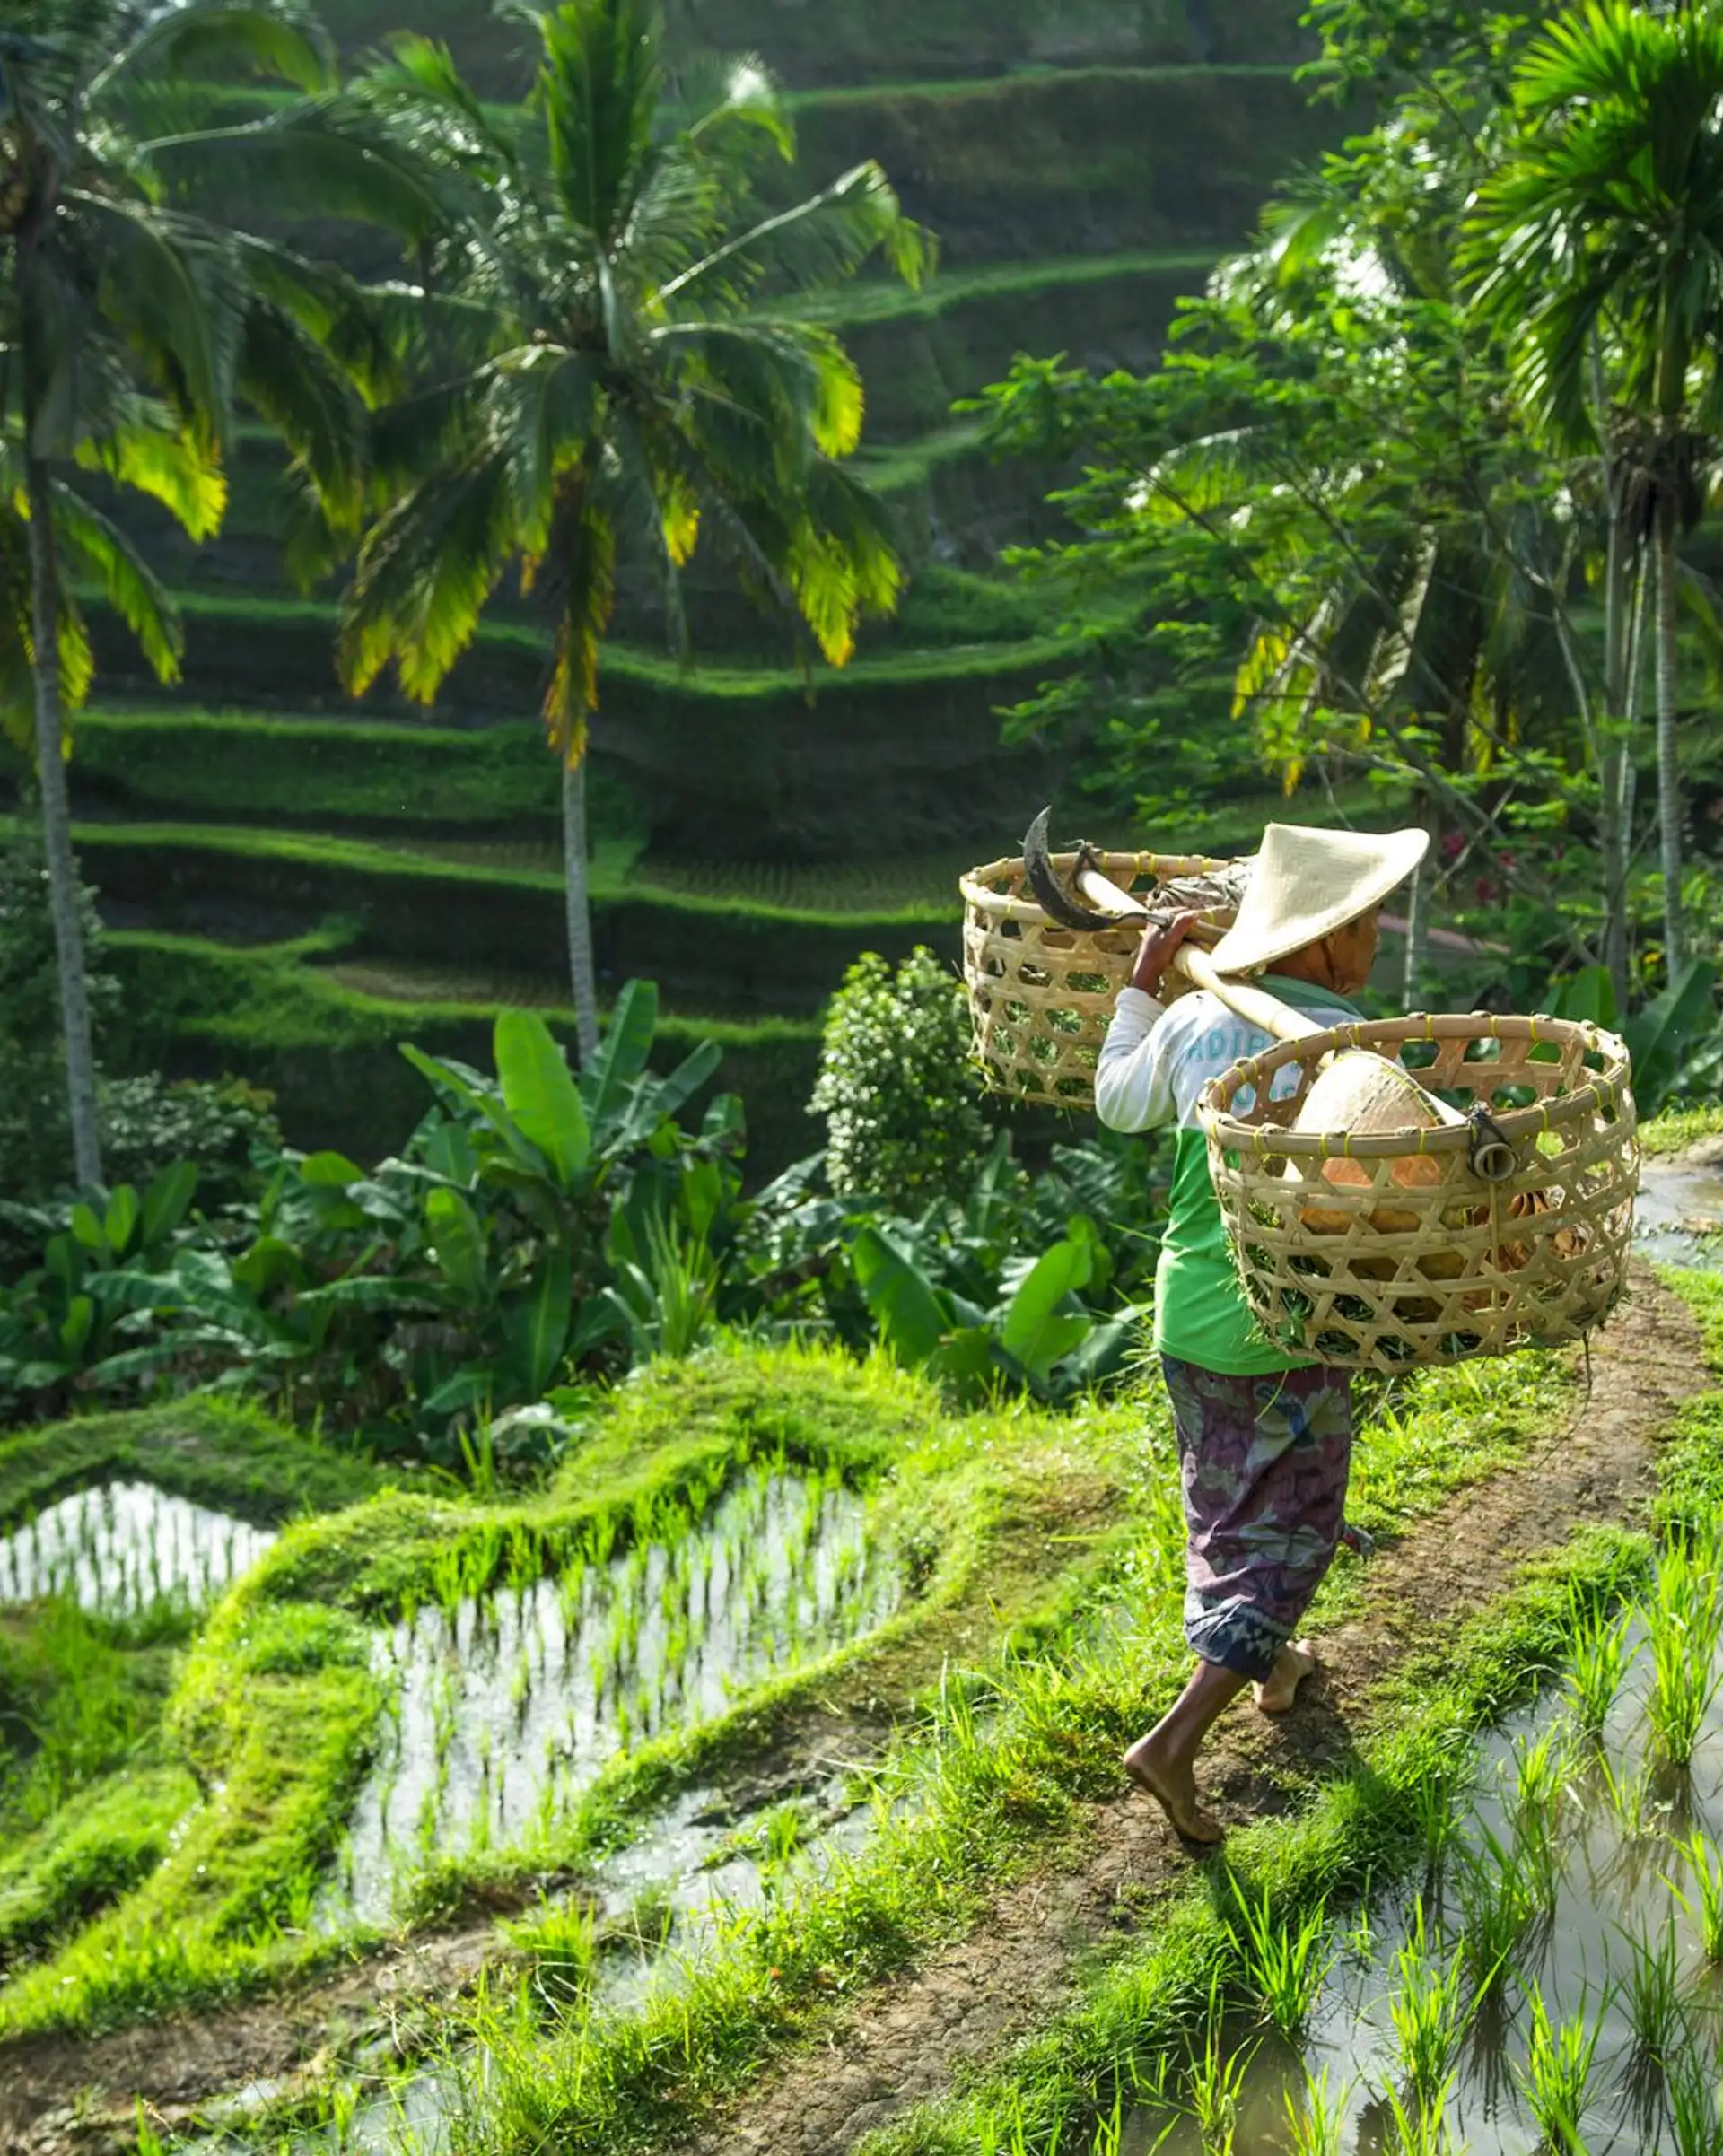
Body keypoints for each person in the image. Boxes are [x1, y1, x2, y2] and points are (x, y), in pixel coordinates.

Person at [1095, 821, 1430, 1845]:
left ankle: (1276, 1668)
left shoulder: (1200, 1020)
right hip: (1285, 1328)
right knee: (1295, 1535)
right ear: (1327, 943)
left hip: (1188, 1312)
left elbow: (1115, 1102)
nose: (1375, 939)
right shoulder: (1350, 1054)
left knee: (1224, 1506)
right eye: (1368, 923)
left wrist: (1144, 987)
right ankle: (1174, 1742)